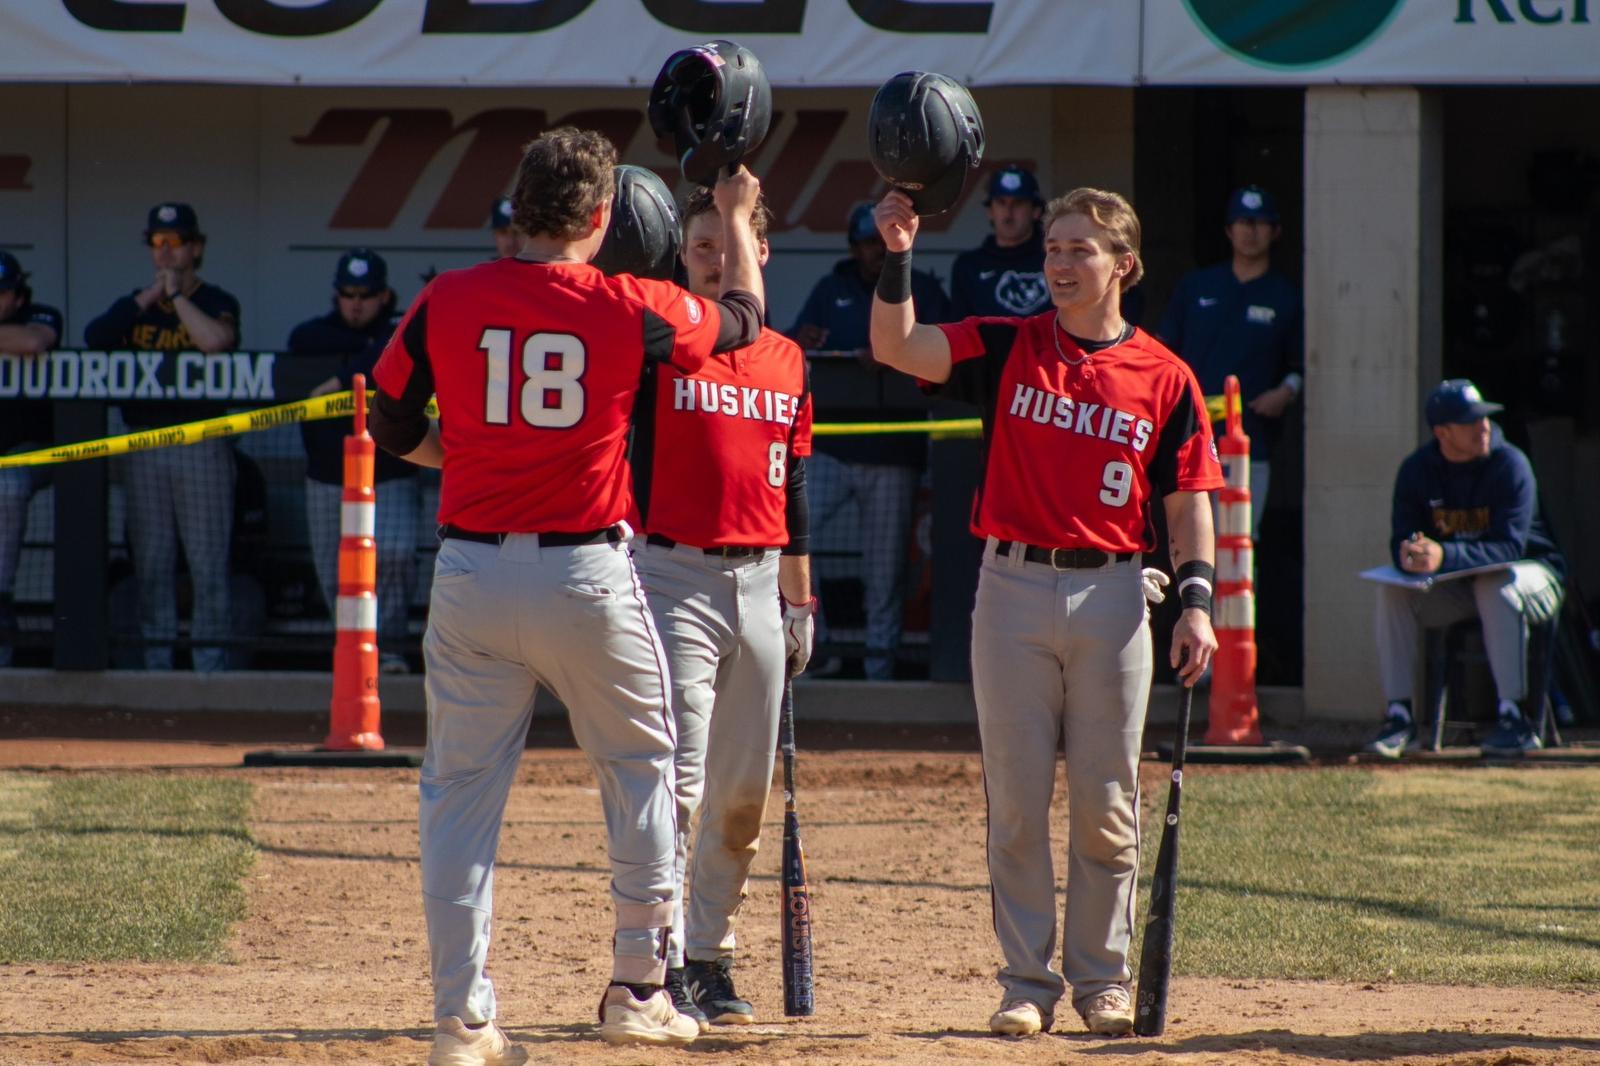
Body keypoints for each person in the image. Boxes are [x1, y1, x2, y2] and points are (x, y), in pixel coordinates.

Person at [367, 126, 766, 1060]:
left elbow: (388, 422)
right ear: (599, 218)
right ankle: (637, 985)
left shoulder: (447, 296)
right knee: (644, 773)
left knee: (459, 798)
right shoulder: (631, 302)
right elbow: (743, 320)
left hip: (468, 569)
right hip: (587, 572)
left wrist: (461, 454)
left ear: (520, 208)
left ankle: (462, 1017)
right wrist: (739, 219)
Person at [868, 186, 1222, 1037]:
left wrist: (1198, 602)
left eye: (1080, 251)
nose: (1059, 263)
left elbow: (1185, 502)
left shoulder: (1166, 375)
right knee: (1019, 800)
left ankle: (1102, 978)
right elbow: (896, 346)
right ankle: (1026, 982)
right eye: (1054, 249)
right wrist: (899, 254)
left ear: (1123, 267)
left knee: (1106, 799)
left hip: (1115, 590)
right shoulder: (1009, 342)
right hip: (1013, 586)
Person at [631, 186, 814, 1030]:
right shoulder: (662, 347)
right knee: (680, 781)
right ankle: (655, 956)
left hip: (760, 581)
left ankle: (709, 951)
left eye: (728, 244)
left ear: (760, 258)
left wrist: (799, 597)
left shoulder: (788, 358)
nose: (712, 257)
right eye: (698, 245)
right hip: (672, 574)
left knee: (743, 793)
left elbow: (796, 481)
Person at [787, 200, 950, 679]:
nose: (875, 252)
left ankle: (880, 665)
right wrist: (805, 338)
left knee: (884, 574)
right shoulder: (832, 286)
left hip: (890, 454)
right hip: (831, 448)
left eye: (881, 244)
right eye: (867, 244)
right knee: (793, 538)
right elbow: (794, 343)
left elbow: (946, 344)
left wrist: (901, 351)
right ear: (855, 247)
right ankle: (820, 649)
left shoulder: (919, 287)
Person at [1366, 379, 1566, 759]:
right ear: (1442, 432)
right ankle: (1399, 716)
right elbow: (1400, 540)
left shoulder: (1510, 464)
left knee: (1495, 583)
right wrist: (1410, 555)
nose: (1484, 427)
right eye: (1470, 421)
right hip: (1462, 588)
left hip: (1533, 577)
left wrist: (1445, 556)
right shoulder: (1417, 470)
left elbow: (1510, 547)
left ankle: (1514, 718)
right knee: (1392, 589)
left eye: (1485, 419)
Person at [84, 202, 241, 672]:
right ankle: (157, 667)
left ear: (195, 247)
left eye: (176, 242)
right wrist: (149, 300)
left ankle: (211, 667)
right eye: (158, 243)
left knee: (207, 564)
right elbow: (95, 338)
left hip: (202, 443)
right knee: (151, 565)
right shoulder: (135, 305)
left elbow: (215, 341)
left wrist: (178, 299)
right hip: (143, 443)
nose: (167, 252)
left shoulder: (215, 300)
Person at [287, 249, 417, 674]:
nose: (356, 302)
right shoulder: (312, 335)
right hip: (328, 476)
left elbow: (392, 349)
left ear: (385, 296)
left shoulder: (399, 331)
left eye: (366, 294)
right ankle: (350, 650)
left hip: (390, 470)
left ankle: (391, 648)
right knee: (333, 569)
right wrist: (358, 357)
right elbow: (304, 345)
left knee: (395, 556)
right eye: (348, 293)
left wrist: (343, 376)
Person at [1156, 185, 1302, 540]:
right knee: (1189, 541)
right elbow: (1162, 352)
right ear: (1227, 230)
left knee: (1238, 544)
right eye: (1242, 222)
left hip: (1249, 442)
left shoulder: (1285, 296)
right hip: (1190, 438)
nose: (1250, 232)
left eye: (1260, 223)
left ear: (1276, 231)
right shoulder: (1198, 286)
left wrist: (1284, 392)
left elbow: (1301, 365)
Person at [0, 252, 64, 667]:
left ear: (18, 295)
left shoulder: (41, 313)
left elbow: (33, 341)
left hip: (31, 452)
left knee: (7, 486)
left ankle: (0, 592)